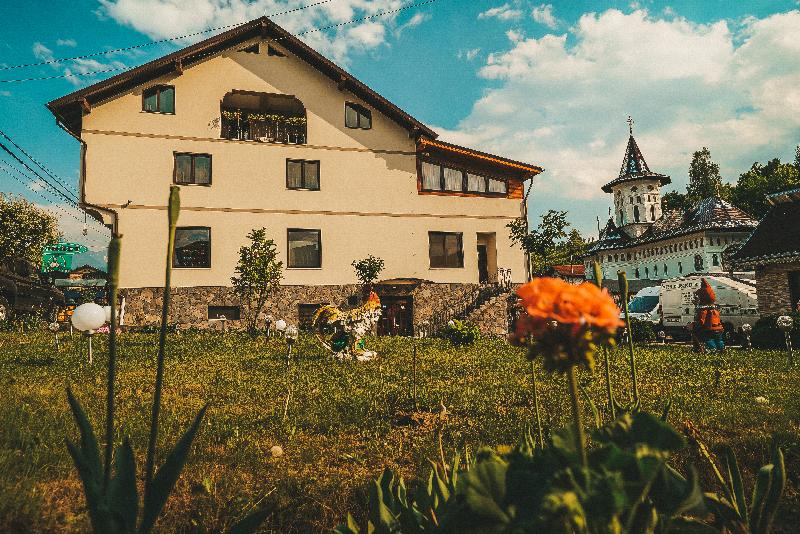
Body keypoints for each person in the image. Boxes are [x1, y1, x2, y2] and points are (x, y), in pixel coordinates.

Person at [693, 278, 725, 351]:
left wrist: (697, 324)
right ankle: (721, 349)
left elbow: (702, 320)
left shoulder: (703, 309)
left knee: (708, 339)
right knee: (719, 340)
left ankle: (712, 349)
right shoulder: (714, 309)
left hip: (709, 328)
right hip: (718, 327)